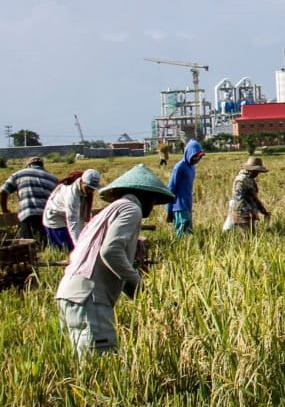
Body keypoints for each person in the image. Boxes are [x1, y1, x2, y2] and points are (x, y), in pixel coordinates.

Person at [54, 164, 174, 355]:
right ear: (143, 195)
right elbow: (110, 251)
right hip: (90, 298)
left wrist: (142, 296)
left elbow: (108, 260)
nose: (152, 206)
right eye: (153, 199)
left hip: (68, 295)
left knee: (83, 365)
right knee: (101, 362)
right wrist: (138, 284)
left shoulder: (107, 212)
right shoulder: (131, 209)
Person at [0, 156, 58, 245]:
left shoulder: (19, 174)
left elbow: (3, 191)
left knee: (28, 246)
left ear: (29, 165)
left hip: (28, 215)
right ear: (42, 165)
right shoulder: (53, 179)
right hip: (47, 218)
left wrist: (4, 210)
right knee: (44, 245)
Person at [42, 169, 102, 250]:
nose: (90, 191)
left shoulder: (83, 190)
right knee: (68, 249)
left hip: (65, 216)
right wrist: (78, 248)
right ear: (82, 182)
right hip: (55, 219)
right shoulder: (72, 195)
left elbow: (81, 217)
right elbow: (72, 222)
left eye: (92, 189)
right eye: (88, 188)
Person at [166, 139, 204, 237]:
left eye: (200, 157)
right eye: (195, 156)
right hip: (179, 206)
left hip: (187, 205)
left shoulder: (192, 168)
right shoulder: (180, 167)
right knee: (182, 234)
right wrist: (169, 209)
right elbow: (171, 187)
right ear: (189, 154)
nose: (198, 159)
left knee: (189, 233)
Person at [224, 156, 270, 233]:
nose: (257, 174)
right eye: (256, 171)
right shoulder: (240, 181)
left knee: (251, 235)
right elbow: (239, 200)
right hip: (241, 214)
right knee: (248, 236)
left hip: (249, 213)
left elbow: (254, 198)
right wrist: (250, 212)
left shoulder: (250, 179)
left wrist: (263, 211)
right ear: (250, 170)